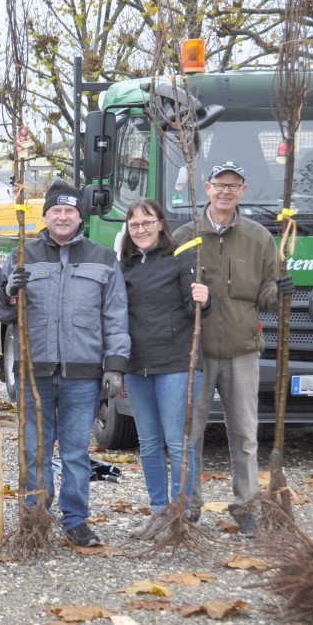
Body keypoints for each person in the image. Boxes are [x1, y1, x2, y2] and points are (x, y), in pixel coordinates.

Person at [0, 179, 130, 547]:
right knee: (34, 449)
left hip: (82, 374)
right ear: (46, 215)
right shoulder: (23, 256)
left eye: (70, 211)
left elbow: (115, 316)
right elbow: (0, 311)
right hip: (34, 372)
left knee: (74, 452)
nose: (63, 216)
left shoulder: (103, 258)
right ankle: (36, 517)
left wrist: (114, 364)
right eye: (56, 210)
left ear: (79, 216)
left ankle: (75, 519)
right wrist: (8, 291)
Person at [173, 162, 294, 533]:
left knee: (244, 434)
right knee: (189, 434)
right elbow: (169, 292)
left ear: (243, 191)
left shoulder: (260, 238)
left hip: (243, 351)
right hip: (196, 352)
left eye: (234, 186)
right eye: (219, 185)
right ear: (207, 188)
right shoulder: (184, 236)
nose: (226, 191)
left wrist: (284, 291)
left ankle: (246, 507)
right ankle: (188, 505)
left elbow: (266, 297)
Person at [119, 199, 208, 519]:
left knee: (177, 440)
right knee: (149, 442)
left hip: (175, 364)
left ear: (160, 224)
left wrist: (203, 300)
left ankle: (183, 512)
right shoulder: (124, 265)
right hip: (137, 366)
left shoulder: (180, 259)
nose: (141, 229)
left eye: (147, 222)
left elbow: (193, 311)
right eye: (134, 225)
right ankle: (159, 510)